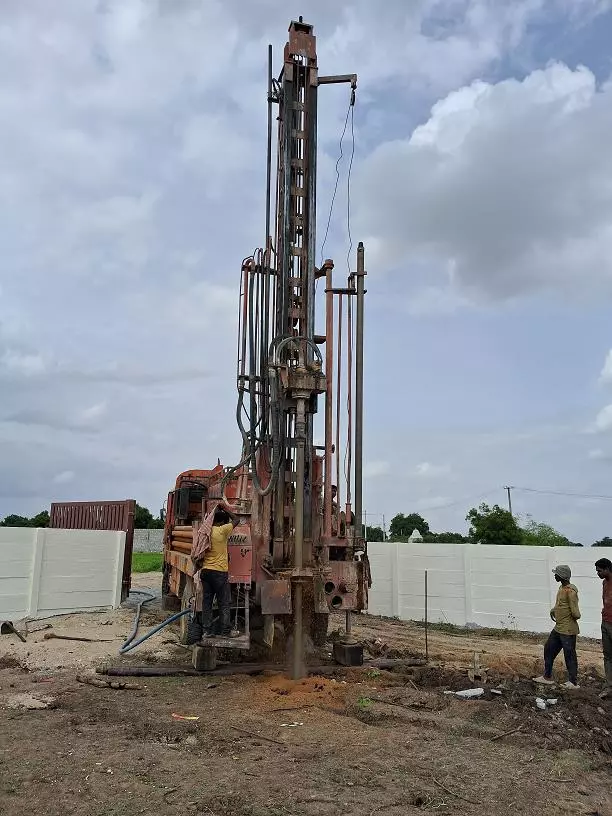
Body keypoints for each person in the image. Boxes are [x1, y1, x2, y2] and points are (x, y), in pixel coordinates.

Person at [534, 565, 581, 689]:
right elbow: (561, 604)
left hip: (568, 629)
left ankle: (573, 682)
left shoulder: (570, 591)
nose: (554, 575)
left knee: (569, 655)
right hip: (559, 627)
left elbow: (576, 614)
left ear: (562, 576)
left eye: (556, 574)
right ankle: (547, 676)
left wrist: (565, 615)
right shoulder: (562, 588)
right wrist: (555, 610)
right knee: (548, 649)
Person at [201, 506, 240, 638]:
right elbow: (236, 519)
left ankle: (207, 631)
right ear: (222, 522)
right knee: (224, 602)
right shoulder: (222, 530)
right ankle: (225, 632)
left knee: (207, 602)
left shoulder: (205, 531)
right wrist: (225, 508)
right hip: (219, 572)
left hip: (205, 571)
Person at [595, 557, 612, 699]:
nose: (598, 573)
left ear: (607, 569)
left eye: (599, 571)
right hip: (605, 623)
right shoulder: (604, 583)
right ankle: (609, 686)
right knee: (607, 656)